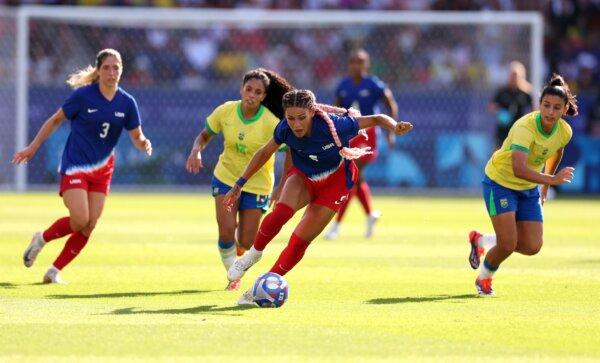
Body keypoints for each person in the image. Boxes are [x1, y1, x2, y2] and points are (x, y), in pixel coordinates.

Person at [223, 89, 413, 304]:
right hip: (303, 175)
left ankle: (262, 286)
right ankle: (252, 255)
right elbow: (265, 153)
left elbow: (378, 118)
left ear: (313, 112)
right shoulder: (284, 129)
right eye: (291, 118)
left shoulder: (336, 126)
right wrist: (239, 184)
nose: (296, 124)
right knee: (282, 212)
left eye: (301, 118)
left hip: (336, 182)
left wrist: (395, 126)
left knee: (298, 242)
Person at [13, 49, 152, 284]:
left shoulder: (127, 102)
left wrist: (144, 143)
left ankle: (54, 271)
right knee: (79, 219)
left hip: (103, 170)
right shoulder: (83, 96)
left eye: (116, 67)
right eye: (106, 67)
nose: (111, 72)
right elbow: (56, 119)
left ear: (121, 70)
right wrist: (33, 147)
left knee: (90, 224)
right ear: (98, 71)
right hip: (75, 166)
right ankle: (41, 239)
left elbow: (137, 136)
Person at [468, 74, 577, 297]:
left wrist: (546, 186)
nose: (550, 112)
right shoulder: (525, 127)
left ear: (564, 109)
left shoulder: (565, 131)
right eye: (546, 105)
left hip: (527, 187)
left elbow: (557, 149)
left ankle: (482, 240)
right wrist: (551, 181)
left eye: (556, 108)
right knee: (508, 244)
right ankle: (484, 279)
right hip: (500, 182)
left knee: (532, 246)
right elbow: (518, 169)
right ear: (539, 105)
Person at [185, 68, 294, 291]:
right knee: (225, 231)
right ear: (241, 89)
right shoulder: (226, 111)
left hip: (257, 185)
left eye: (258, 92)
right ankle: (233, 276)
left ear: (264, 96)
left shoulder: (271, 122)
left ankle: (238, 244)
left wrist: (282, 185)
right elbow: (205, 134)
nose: (252, 95)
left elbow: (289, 152)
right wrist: (196, 149)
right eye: (248, 90)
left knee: (246, 241)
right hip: (225, 178)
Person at [325, 48, 399, 240]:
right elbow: (335, 110)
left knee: (351, 175)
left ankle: (336, 225)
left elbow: (390, 103)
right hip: (350, 134)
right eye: (353, 61)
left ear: (366, 65)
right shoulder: (343, 85)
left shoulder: (373, 84)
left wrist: (392, 131)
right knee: (357, 179)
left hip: (369, 135)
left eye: (360, 62)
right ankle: (370, 216)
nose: (356, 65)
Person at [489, 61, 533, 147]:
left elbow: (534, 109)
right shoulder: (502, 91)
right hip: (503, 129)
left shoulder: (526, 93)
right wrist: (500, 113)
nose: (514, 78)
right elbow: (492, 105)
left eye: (516, 76)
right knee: (499, 151)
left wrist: (527, 119)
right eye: (512, 75)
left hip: (520, 130)